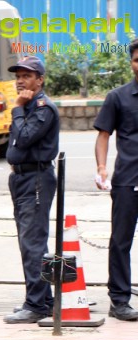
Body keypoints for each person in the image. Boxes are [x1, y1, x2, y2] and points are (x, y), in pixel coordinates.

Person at [3, 55, 59, 324]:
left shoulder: (41, 107)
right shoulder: (29, 106)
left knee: (33, 243)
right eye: (18, 76)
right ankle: (43, 300)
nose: (20, 81)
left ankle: (36, 304)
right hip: (22, 179)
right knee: (29, 243)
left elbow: (24, 137)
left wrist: (16, 108)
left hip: (36, 179)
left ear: (40, 80)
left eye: (26, 76)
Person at [93, 39, 138, 321]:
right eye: (136, 60)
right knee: (121, 242)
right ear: (131, 63)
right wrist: (101, 167)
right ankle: (119, 300)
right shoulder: (117, 97)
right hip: (127, 181)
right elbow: (103, 135)